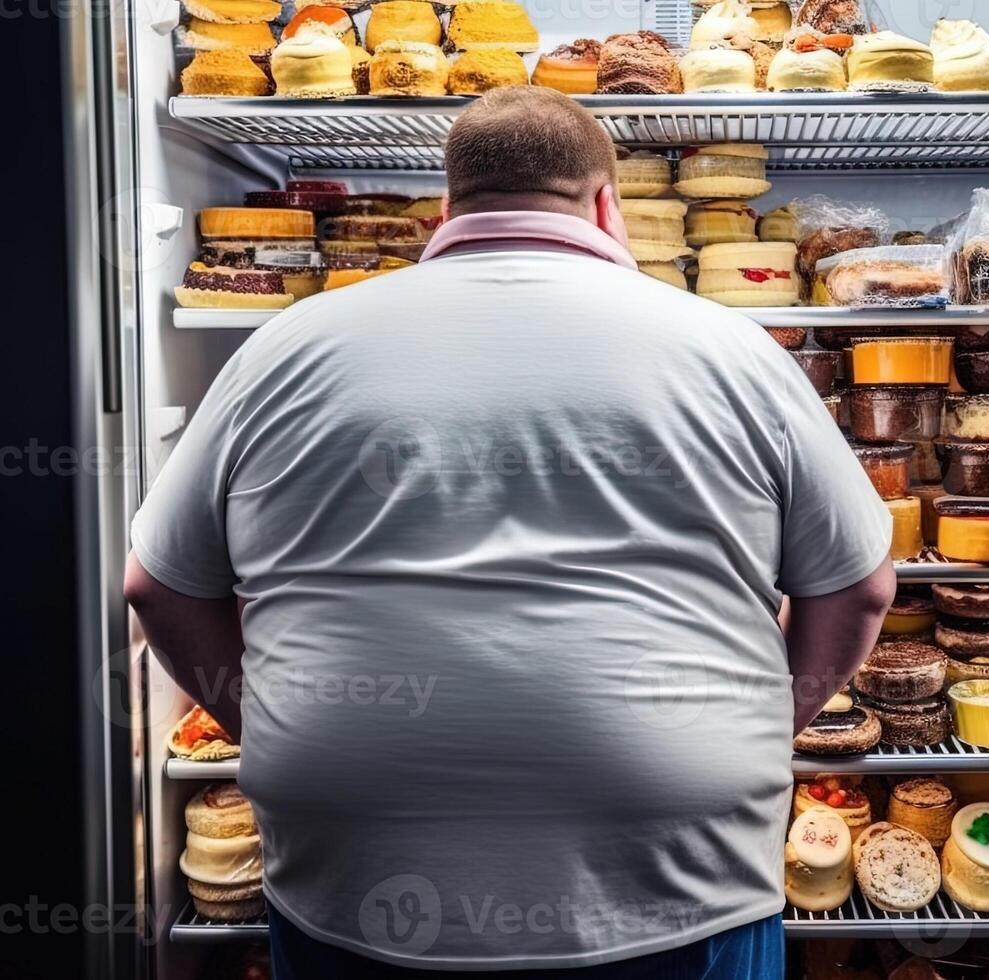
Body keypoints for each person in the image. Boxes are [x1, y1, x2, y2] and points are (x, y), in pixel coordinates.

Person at [124, 88, 894, 977]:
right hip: (673, 873)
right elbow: (861, 585)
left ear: (445, 209)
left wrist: (267, 722)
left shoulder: (284, 348)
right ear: (608, 205)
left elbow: (156, 584)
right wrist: (765, 720)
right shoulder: (733, 351)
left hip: (361, 868)